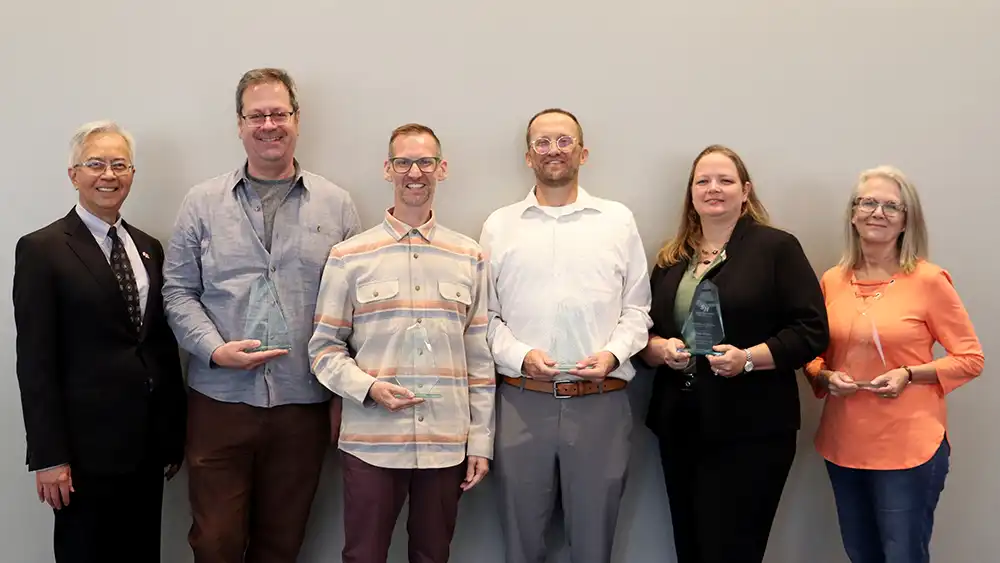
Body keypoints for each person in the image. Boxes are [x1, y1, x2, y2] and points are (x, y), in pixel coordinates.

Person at [162, 67, 362, 563]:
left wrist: (343, 397)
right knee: (214, 542)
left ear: (297, 119)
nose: (269, 125)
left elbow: (354, 307)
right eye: (257, 115)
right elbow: (178, 291)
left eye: (279, 113)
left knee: (282, 541)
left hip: (303, 404)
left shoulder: (336, 205)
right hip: (218, 404)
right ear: (239, 124)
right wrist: (214, 350)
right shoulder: (201, 203)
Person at [309, 123, 495, 563]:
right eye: (404, 162)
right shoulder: (349, 255)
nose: (416, 172)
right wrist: (369, 388)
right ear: (388, 170)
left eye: (426, 162)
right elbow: (323, 349)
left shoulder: (468, 255)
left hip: (446, 442)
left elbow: (479, 358)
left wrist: (480, 443)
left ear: (442, 169)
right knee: (363, 555)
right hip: (372, 441)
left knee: (433, 554)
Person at [638, 144, 829, 563]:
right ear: (691, 193)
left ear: (746, 191)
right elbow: (642, 334)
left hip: (753, 427)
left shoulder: (777, 249)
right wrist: (658, 349)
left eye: (725, 180)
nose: (713, 189)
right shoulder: (672, 259)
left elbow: (812, 332)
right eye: (703, 181)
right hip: (680, 424)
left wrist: (748, 358)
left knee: (733, 549)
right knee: (691, 545)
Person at [479, 108, 652, 563]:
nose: (553, 150)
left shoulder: (616, 220)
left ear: (583, 152)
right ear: (528, 155)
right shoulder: (500, 225)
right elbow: (485, 317)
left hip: (601, 403)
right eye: (542, 142)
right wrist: (520, 355)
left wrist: (613, 355)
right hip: (521, 400)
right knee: (521, 544)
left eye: (563, 141)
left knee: (594, 546)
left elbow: (638, 309)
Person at [12, 120, 187, 563]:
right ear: (74, 175)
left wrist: (172, 434)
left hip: (145, 446)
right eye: (95, 164)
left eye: (119, 164)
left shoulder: (148, 247)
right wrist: (48, 456)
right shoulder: (42, 249)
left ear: (131, 174)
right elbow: (35, 360)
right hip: (82, 450)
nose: (108, 174)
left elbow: (158, 344)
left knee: (141, 551)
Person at [803, 166, 984, 563]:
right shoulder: (833, 280)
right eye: (868, 202)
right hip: (844, 442)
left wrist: (910, 374)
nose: (877, 212)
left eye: (891, 206)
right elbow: (812, 354)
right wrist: (825, 375)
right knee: (860, 552)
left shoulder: (929, 280)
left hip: (908, 447)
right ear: (853, 213)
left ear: (906, 220)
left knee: (902, 556)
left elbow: (971, 359)